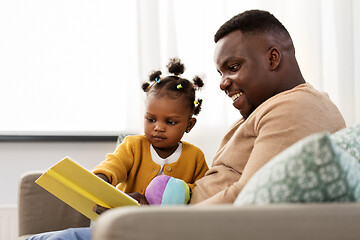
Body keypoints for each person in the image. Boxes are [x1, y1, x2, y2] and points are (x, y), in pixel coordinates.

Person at [26, 57, 209, 240]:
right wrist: (101, 180)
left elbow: (204, 192)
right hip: (123, 223)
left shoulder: (195, 156)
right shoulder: (133, 146)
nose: (158, 127)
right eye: (151, 119)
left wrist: (175, 193)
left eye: (170, 122)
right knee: (58, 237)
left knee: (68, 237)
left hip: (161, 231)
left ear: (189, 124)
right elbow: (113, 165)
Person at [189, 9, 346, 204]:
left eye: (233, 68)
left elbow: (248, 198)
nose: (223, 83)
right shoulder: (271, 106)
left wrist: (169, 222)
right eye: (221, 73)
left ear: (272, 59)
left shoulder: (294, 107)